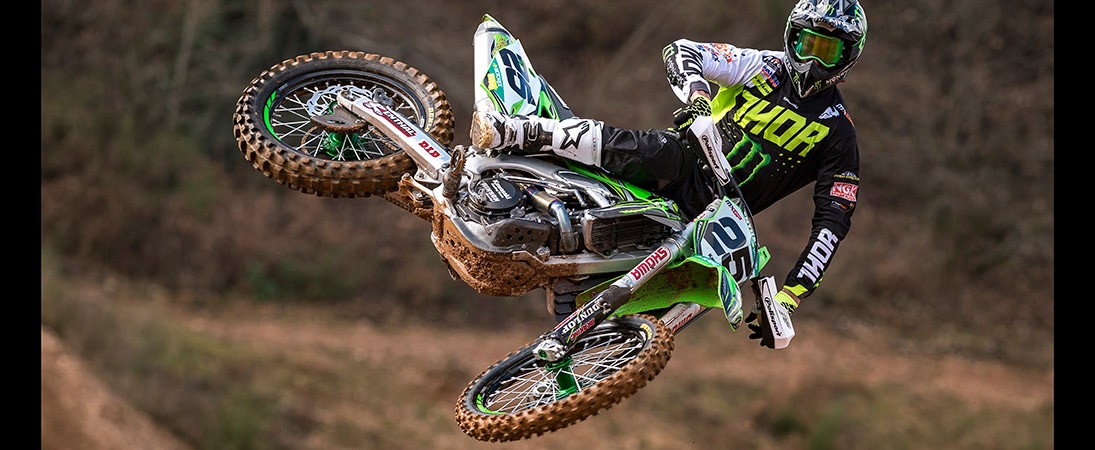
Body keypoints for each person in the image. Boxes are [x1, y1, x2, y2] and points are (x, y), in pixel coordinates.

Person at [470, 0, 867, 347]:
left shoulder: (839, 134)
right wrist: (697, 98)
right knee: (657, 151)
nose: (812, 61)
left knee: (680, 298)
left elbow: (832, 224)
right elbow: (682, 51)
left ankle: (587, 351)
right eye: (807, 44)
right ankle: (519, 131)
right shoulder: (764, 67)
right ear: (791, 37)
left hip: (717, 216)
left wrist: (789, 297)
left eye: (827, 51)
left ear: (848, 57)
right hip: (689, 161)